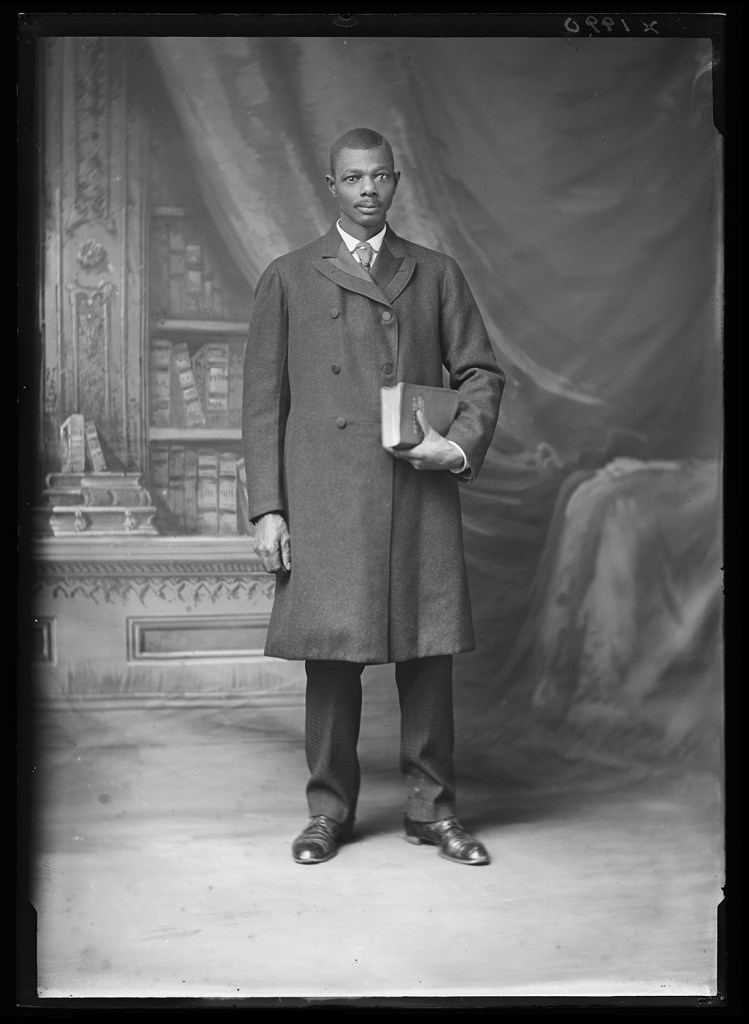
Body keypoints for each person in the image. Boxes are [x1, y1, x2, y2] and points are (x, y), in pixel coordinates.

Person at [242, 128, 504, 866]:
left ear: (395, 181)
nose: (367, 190)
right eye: (353, 178)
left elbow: (481, 373)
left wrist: (456, 446)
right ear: (332, 186)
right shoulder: (289, 276)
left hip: (416, 489)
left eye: (379, 176)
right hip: (325, 496)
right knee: (331, 656)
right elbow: (262, 404)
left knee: (428, 652)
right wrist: (268, 507)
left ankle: (432, 811)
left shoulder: (436, 272)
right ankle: (327, 812)